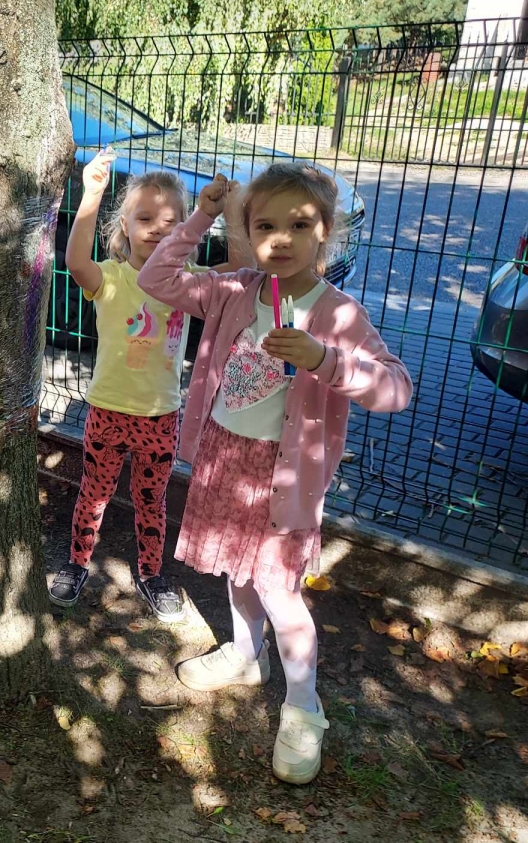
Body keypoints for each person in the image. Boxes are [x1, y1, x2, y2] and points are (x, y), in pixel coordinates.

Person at [138, 163, 413, 784]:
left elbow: (396, 390)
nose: (281, 239)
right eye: (265, 226)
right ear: (246, 232)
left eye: (300, 225)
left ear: (325, 233)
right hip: (225, 459)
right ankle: (245, 654)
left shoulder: (339, 315)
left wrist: (326, 360)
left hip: (283, 478)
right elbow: (155, 277)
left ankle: (304, 708)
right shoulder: (233, 290)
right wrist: (202, 214)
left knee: (280, 592)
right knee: (238, 572)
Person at [49, 151, 204, 621]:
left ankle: (152, 574)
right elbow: (76, 260)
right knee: (93, 493)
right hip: (108, 412)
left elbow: (239, 273)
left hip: (160, 417)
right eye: (145, 218)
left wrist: (227, 211)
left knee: (151, 502)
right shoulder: (112, 278)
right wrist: (91, 194)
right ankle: (77, 563)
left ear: (185, 231)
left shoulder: (187, 284)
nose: (157, 229)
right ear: (125, 226)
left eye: (171, 222)